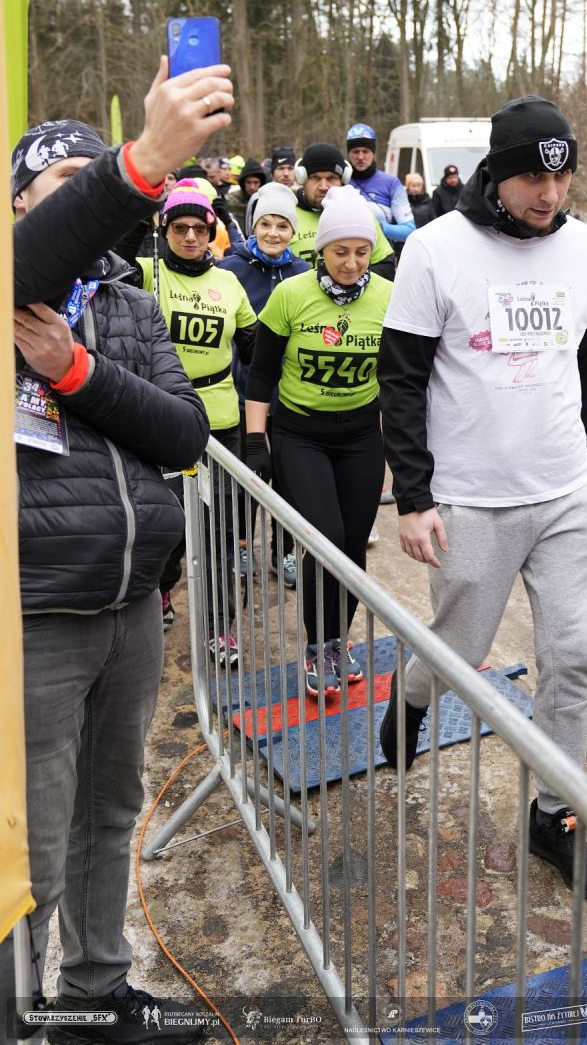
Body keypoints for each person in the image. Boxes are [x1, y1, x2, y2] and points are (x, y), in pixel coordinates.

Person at [6, 56, 231, 1045]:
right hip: (35, 618)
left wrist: (76, 370)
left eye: (93, 182)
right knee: (30, 845)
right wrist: (138, 160)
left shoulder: (131, 302)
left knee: (109, 813)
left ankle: (94, 994)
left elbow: (184, 434)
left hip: (134, 607)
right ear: (21, 204)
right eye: (67, 185)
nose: (87, 205)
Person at [377, 95, 587, 899]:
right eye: (531, 180)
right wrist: (413, 497)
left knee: (571, 658)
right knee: (458, 651)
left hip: (566, 494)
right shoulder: (435, 248)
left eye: (562, 177)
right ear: (496, 173)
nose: (549, 195)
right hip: (472, 497)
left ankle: (555, 813)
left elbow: (584, 363)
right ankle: (414, 694)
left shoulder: (581, 248)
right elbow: (401, 380)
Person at [243, 187, 393, 695]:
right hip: (300, 433)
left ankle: (337, 642)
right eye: (340, 251)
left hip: (359, 434)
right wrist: (256, 439)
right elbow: (262, 374)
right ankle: (315, 646)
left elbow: (400, 376)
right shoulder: (291, 294)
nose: (351, 263)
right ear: (321, 250)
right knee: (325, 539)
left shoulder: (387, 297)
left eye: (361, 252)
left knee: (352, 545)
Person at [135, 184, 257, 663]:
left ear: (211, 232)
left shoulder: (228, 282)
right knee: (166, 527)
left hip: (218, 423)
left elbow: (255, 349)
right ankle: (163, 589)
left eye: (199, 229)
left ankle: (220, 627)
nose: (190, 237)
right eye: (180, 228)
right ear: (164, 230)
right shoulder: (147, 272)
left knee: (220, 531)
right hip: (160, 418)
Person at [216, 184, 311, 588]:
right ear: (253, 226)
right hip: (243, 393)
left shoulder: (304, 273)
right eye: (266, 224)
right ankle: (241, 544)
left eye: (282, 225)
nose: (273, 233)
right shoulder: (229, 269)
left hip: (289, 395)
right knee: (247, 476)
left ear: (293, 230)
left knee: (288, 477)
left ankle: (283, 550)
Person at [289, 142, 396, 280]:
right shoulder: (288, 216)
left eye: (331, 178)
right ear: (302, 179)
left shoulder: (360, 213)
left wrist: (348, 281)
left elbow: (385, 266)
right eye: (315, 178)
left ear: (343, 179)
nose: (323, 186)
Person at [346, 122, 414, 247]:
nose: (360, 157)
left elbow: (409, 230)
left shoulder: (391, 183)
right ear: (348, 154)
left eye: (365, 151)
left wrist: (379, 228)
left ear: (373, 153)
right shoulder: (339, 181)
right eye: (355, 151)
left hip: (381, 254)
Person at [225, 156, 264, 234]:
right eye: (248, 182)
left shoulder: (266, 200)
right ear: (243, 183)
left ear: (261, 183)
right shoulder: (230, 200)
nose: (252, 187)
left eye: (256, 182)